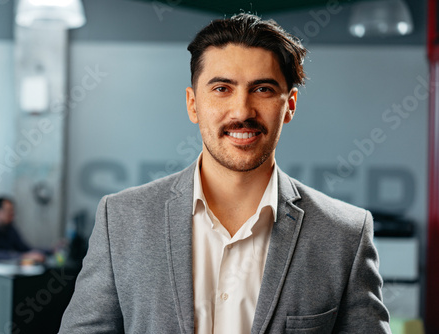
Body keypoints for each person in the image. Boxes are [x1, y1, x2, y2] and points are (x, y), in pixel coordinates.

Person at [59, 13, 391, 333]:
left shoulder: (345, 235)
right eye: (222, 89)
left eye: (262, 89)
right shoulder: (121, 220)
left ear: (289, 105)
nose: (242, 111)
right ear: (193, 104)